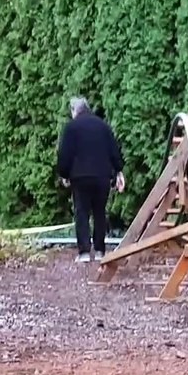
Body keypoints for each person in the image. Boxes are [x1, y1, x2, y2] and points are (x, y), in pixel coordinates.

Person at [55, 96, 125, 263]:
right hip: (102, 176)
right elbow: (114, 151)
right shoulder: (103, 126)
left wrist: (64, 174)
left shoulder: (71, 128)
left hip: (80, 177)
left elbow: (65, 154)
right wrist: (118, 171)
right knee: (100, 212)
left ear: (74, 110)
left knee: (82, 212)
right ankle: (100, 250)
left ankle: (84, 252)